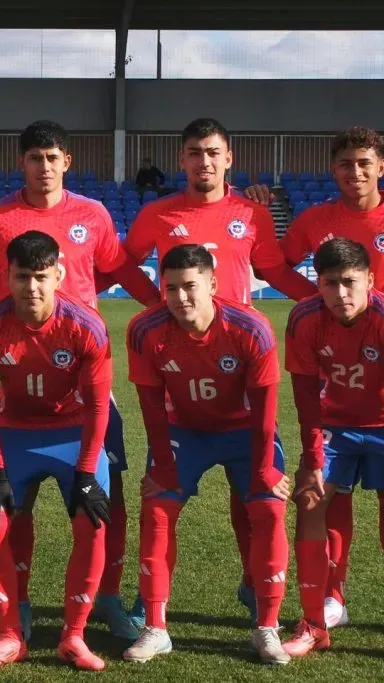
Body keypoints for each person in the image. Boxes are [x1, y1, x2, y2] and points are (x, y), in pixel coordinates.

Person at [0, 119, 160, 644]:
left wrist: (161, 310)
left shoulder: (92, 214)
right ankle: (19, 604)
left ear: (67, 162)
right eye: (35, 158)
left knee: (108, 494)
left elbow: (119, 271)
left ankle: (107, 598)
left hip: (83, 368)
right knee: (16, 499)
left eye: (52, 157)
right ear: (22, 162)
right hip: (18, 362)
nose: (43, 167)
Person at [124, 117, 316, 624]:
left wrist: (319, 303)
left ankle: (255, 586)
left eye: (213, 152)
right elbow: (122, 263)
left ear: (228, 158)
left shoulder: (251, 213)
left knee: (251, 497)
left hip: (240, 360)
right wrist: (156, 307)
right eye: (194, 153)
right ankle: (150, 600)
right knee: (162, 498)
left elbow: (274, 270)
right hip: (183, 364)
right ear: (182, 160)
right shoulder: (157, 214)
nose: (203, 161)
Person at [279, 127, 384, 637]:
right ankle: (332, 599)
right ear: (334, 169)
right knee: (330, 494)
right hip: (337, 383)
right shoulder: (315, 220)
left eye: (364, 163)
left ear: (381, 166)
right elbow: (273, 262)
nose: (355, 172)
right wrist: (320, 304)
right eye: (345, 163)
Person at [122, 244, 291, 665]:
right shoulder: (145, 330)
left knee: (268, 510)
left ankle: (267, 627)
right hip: (184, 432)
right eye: (171, 288)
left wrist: (266, 469)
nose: (180, 297)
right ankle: (155, 627)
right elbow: (151, 406)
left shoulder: (251, 328)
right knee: (157, 510)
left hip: (245, 431)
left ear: (213, 284)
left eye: (190, 286)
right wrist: (163, 466)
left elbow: (266, 407)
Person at [0, 231, 114, 671]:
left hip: (74, 432)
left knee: (93, 520)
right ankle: (9, 635)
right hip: (14, 432)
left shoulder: (86, 324)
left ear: (59, 276)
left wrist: (85, 473)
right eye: (22, 276)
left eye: (41, 277)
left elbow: (99, 407)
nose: (32, 287)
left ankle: (74, 636)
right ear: (6, 277)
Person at [282, 238, 384, 667]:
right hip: (336, 422)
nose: (340, 293)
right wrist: (312, 461)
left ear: (370, 279)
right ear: (318, 284)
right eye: (330, 283)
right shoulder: (304, 319)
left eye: (350, 281)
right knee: (310, 500)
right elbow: (306, 400)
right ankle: (314, 623)